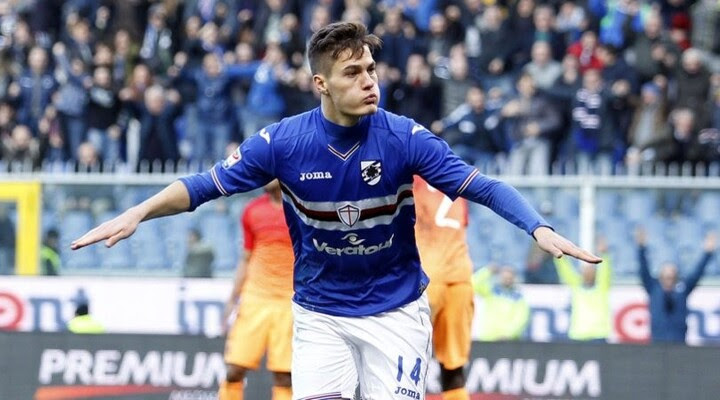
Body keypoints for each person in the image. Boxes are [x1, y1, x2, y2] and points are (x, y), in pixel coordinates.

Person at [71, 22, 600, 399]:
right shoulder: (282, 143)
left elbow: (482, 186)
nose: (369, 81)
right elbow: (203, 186)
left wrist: (537, 226)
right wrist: (137, 212)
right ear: (321, 84)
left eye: (371, 69)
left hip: (396, 311)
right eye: (353, 73)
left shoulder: (404, 137)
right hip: (320, 314)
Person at [220, 180, 294, 400]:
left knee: (284, 376)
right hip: (255, 298)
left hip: (289, 301)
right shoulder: (252, 210)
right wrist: (233, 298)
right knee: (234, 370)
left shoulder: (300, 209)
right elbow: (246, 257)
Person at [413, 177, 473, 400]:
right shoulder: (457, 181)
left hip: (425, 278)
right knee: (453, 368)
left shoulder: (411, 180)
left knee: (405, 359)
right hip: (460, 278)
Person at [636, 229, 716, 343]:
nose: (669, 275)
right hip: (657, 343)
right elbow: (643, 270)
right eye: (666, 273)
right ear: (661, 275)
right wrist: (641, 248)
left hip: (679, 344)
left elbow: (697, 273)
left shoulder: (682, 289)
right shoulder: (653, 288)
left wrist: (707, 253)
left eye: (672, 273)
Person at [553, 238, 612, 342]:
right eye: (585, 270)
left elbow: (605, 272)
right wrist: (559, 253)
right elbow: (565, 270)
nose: (587, 273)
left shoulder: (601, 288)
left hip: (598, 335)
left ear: (595, 274)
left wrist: (604, 254)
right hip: (578, 335)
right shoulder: (576, 287)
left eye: (591, 270)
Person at [471, 265, 530, 341]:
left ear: (514, 278)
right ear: (500, 277)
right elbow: (472, 283)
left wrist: (508, 335)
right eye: (505, 277)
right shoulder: (491, 291)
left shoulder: (518, 298)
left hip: (507, 341)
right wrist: (487, 271)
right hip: (488, 338)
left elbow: (521, 319)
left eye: (509, 278)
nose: (507, 280)